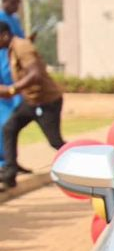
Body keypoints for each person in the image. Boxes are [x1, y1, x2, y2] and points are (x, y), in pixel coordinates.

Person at [0, 21, 65, 190]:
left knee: (55, 142)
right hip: (31, 102)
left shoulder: (21, 47)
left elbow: (35, 74)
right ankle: (9, 174)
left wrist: (13, 89)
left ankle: (86, 163)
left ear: (4, 35)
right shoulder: (12, 49)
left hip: (47, 102)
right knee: (9, 128)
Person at [0, 0, 25, 172]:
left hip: (15, 73)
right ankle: (5, 162)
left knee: (12, 123)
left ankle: (11, 161)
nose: (17, 6)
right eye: (14, 2)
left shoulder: (14, 20)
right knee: (5, 122)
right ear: (6, 1)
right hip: (4, 71)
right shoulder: (2, 18)